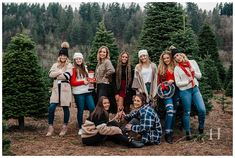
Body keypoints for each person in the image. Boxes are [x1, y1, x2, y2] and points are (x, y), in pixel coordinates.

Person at [172, 49, 206, 140]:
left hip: (195, 89)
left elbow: (200, 76)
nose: (177, 58)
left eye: (177, 55)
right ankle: (188, 132)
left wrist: (193, 73)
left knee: (202, 109)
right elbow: (178, 83)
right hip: (185, 91)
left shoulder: (192, 62)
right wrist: (187, 81)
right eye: (175, 57)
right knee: (187, 112)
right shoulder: (177, 69)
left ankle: (201, 127)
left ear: (182, 54)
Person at [46, 42, 73, 136]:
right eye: (61, 55)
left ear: (67, 57)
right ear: (59, 56)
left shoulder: (69, 65)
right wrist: (60, 72)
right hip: (56, 88)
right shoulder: (55, 64)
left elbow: (67, 76)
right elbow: (50, 74)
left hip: (65, 88)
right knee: (51, 107)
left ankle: (65, 126)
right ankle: (50, 126)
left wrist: (57, 74)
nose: (63, 57)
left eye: (65, 55)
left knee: (65, 107)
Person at [70, 52, 95, 135]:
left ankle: (89, 124)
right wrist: (82, 82)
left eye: (80, 58)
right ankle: (80, 127)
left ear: (82, 59)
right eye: (76, 59)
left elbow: (87, 78)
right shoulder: (73, 69)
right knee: (80, 110)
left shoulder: (85, 67)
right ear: (74, 60)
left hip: (87, 91)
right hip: (78, 92)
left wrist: (91, 80)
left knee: (92, 108)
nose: (78, 60)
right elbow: (72, 82)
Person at [157, 50, 178, 144]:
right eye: (164, 58)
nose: (166, 60)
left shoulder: (176, 67)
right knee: (169, 110)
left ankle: (171, 131)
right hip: (166, 92)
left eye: (167, 58)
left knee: (173, 111)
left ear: (171, 58)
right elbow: (158, 82)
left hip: (176, 91)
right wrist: (163, 87)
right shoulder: (161, 68)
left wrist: (173, 80)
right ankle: (167, 133)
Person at [95, 46, 115, 112]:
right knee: (100, 102)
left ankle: (104, 119)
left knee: (103, 103)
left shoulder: (107, 61)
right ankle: (100, 118)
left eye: (104, 52)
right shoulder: (99, 63)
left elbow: (112, 70)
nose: (102, 53)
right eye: (101, 52)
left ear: (106, 53)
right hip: (99, 84)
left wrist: (105, 76)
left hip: (104, 85)